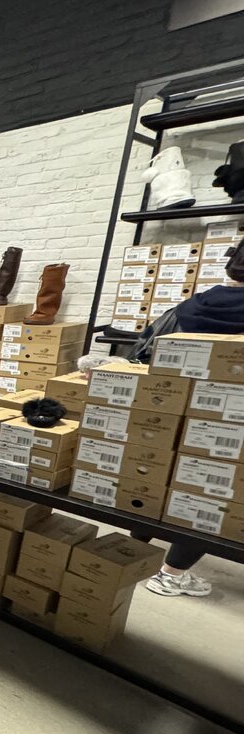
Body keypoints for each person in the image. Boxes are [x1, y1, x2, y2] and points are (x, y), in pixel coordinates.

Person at [124, 245, 244, 598]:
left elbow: (142, 353)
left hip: (165, 410)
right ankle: (171, 574)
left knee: (155, 476)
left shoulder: (190, 306)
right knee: (207, 494)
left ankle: (134, 552)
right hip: (226, 421)